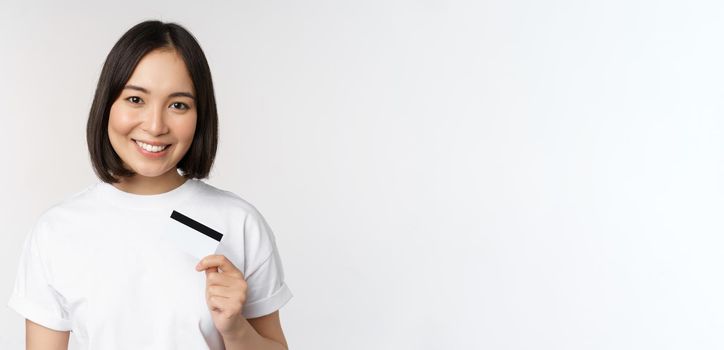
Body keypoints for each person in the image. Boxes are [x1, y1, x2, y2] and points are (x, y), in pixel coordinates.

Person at [7, 20, 292, 350]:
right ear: (107, 105)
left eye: (178, 105)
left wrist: (234, 328)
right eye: (135, 100)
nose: (156, 126)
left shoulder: (238, 223)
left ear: (200, 116)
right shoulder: (57, 231)